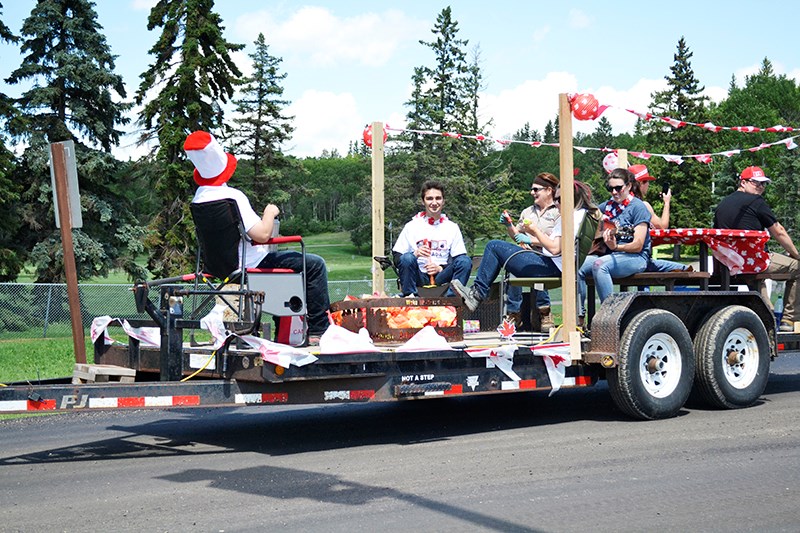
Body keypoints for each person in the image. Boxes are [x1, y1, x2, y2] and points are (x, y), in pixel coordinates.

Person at [184, 130, 330, 342]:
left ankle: (284, 331)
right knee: (315, 265)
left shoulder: (198, 199)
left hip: (217, 268)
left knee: (290, 268)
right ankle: (318, 330)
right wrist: (269, 212)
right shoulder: (232, 196)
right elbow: (262, 235)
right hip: (250, 264)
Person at [453, 181, 599, 322]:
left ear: (571, 198)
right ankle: (481, 293)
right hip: (554, 264)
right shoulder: (579, 215)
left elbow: (555, 248)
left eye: (559, 199)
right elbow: (559, 245)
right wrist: (530, 239)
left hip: (551, 266)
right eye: (556, 199)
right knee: (499, 249)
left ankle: (477, 295)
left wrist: (534, 230)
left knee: (494, 246)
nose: (556, 202)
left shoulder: (570, 217)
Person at [713, 166, 800, 332]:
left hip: (730, 264)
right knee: (798, 267)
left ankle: (768, 319)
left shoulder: (722, 204)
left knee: (755, 278)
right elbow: (779, 232)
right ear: (743, 182)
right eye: (756, 183)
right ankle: (789, 320)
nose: (760, 187)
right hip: (753, 260)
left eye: (763, 184)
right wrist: (796, 254)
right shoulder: (756, 202)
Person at [577, 168, 651, 320]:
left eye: (618, 188)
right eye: (610, 189)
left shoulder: (638, 207)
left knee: (600, 265)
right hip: (612, 255)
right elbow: (590, 223)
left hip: (636, 257)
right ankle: (579, 317)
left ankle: (610, 318)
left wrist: (616, 247)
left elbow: (638, 244)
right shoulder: (606, 207)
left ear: (629, 186)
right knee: (575, 265)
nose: (614, 192)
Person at [501, 172, 561, 330]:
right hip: (526, 254)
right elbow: (518, 237)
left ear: (549, 190)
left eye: (536, 190)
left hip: (547, 256)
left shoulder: (558, 211)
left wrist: (532, 240)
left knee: (538, 275)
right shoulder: (527, 212)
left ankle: (544, 311)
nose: (532, 193)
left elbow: (555, 242)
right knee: (514, 265)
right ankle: (514, 314)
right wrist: (509, 225)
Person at [392, 180, 472, 297]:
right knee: (407, 257)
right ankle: (410, 297)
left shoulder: (452, 227)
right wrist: (415, 254)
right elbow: (397, 257)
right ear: (423, 201)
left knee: (465, 261)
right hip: (419, 274)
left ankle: (452, 299)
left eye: (438, 198)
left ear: (443, 201)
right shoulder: (412, 226)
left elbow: (459, 259)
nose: (434, 203)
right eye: (429, 199)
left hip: (441, 276)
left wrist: (440, 268)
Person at [629, 164, 690, 273]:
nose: (648, 185)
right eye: (647, 181)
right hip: (640, 259)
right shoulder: (643, 205)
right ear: (640, 183)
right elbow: (663, 226)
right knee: (685, 269)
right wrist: (667, 202)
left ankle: (644, 290)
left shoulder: (621, 205)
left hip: (624, 257)